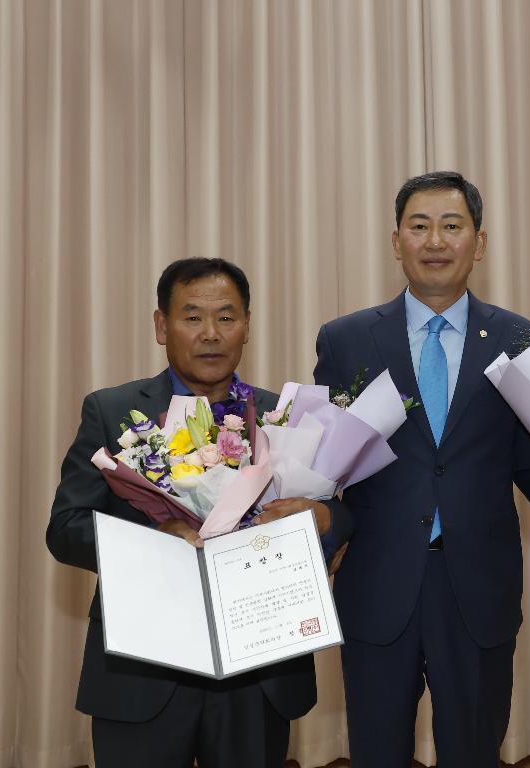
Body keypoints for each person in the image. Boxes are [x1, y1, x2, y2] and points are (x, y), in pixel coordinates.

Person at [313, 171, 530, 767]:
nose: (435, 241)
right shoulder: (346, 340)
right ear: (395, 240)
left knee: (474, 752)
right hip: (377, 583)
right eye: (419, 226)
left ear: (479, 242)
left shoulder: (518, 339)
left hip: (477, 588)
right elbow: (327, 466)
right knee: (376, 752)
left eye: (452, 226)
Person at [46, 258, 352, 768]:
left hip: (256, 674)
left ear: (247, 325)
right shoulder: (114, 411)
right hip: (143, 673)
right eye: (192, 318)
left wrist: (323, 519)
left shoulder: (283, 419)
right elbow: (66, 529)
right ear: (161, 326)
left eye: (226, 318)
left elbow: (340, 518)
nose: (211, 333)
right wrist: (156, 537)